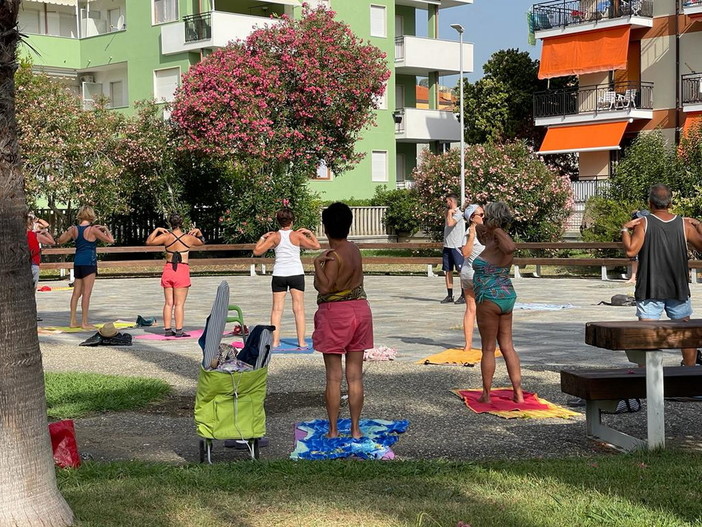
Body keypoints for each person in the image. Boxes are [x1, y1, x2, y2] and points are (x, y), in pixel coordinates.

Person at [621, 184, 702, 366]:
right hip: (678, 287)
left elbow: (631, 251)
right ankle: (689, 375)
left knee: (647, 338)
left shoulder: (643, 223)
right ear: (670, 203)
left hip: (650, 287)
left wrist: (625, 229)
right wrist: (698, 224)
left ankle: (647, 379)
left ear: (650, 204)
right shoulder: (684, 225)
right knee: (686, 336)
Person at [312, 202, 373, 439]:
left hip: (336, 314)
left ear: (326, 228)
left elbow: (325, 287)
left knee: (334, 376)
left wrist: (317, 265)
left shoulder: (332, 257)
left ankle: (334, 430)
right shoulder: (354, 249)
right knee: (355, 375)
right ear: (349, 225)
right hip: (360, 310)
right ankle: (356, 429)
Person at [473, 201, 523, 403]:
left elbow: (511, 248)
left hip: (490, 296)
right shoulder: (493, 238)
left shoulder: (500, 237)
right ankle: (518, 393)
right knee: (507, 346)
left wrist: (497, 227)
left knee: (488, 348)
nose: (483, 218)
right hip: (505, 295)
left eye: (486, 215)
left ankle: (486, 394)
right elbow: (478, 229)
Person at [253, 208, 321, 348]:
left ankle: (275, 342)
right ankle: (301, 342)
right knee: (299, 309)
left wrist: (263, 237)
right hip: (296, 273)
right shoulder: (297, 235)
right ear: (292, 221)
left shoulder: (274, 236)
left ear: (278, 221)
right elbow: (316, 246)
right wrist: (310, 234)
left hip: (279, 274)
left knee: (277, 309)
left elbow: (257, 251)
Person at [146, 213, 205, 337]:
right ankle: (179, 330)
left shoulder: (166, 237)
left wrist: (157, 230)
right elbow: (202, 242)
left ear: (170, 224)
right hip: (181, 269)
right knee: (179, 304)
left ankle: (167, 329)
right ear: (181, 223)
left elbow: (149, 242)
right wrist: (198, 231)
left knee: (168, 303)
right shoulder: (188, 238)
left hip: (168, 269)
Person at [57, 206, 114, 329]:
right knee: (86, 293)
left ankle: (72, 321)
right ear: (91, 216)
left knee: (76, 293)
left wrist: (68, 230)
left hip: (78, 262)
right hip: (89, 262)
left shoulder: (74, 229)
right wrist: (106, 229)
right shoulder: (93, 229)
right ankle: (84, 322)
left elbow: (60, 240)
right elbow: (111, 240)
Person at [459, 204, 485, 353]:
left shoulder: (485, 231)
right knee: (475, 309)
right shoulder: (469, 232)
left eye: (483, 214)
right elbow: (466, 253)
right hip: (474, 275)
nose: (483, 217)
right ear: (471, 218)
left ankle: (470, 344)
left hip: (474, 273)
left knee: (473, 309)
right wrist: (472, 236)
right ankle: (468, 344)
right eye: (480, 215)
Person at [441, 193, 465, 304]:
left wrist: (450, 213)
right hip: (447, 246)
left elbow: (450, 223)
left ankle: (464, 295)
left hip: (457, 247)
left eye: (447, 201)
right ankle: (450, 295)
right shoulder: (449, 213)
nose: (446, 204)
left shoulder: (459, 213)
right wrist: (448, 213)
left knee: (461, 271)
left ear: (451, 201)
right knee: (448, 271)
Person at [27, 212, 55, 290]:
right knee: (32, 288)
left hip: (21, 264)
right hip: (34, 262)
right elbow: (52, 242)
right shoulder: (36, 235)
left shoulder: (17, 235)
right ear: (31, 224)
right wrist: (45, 232)